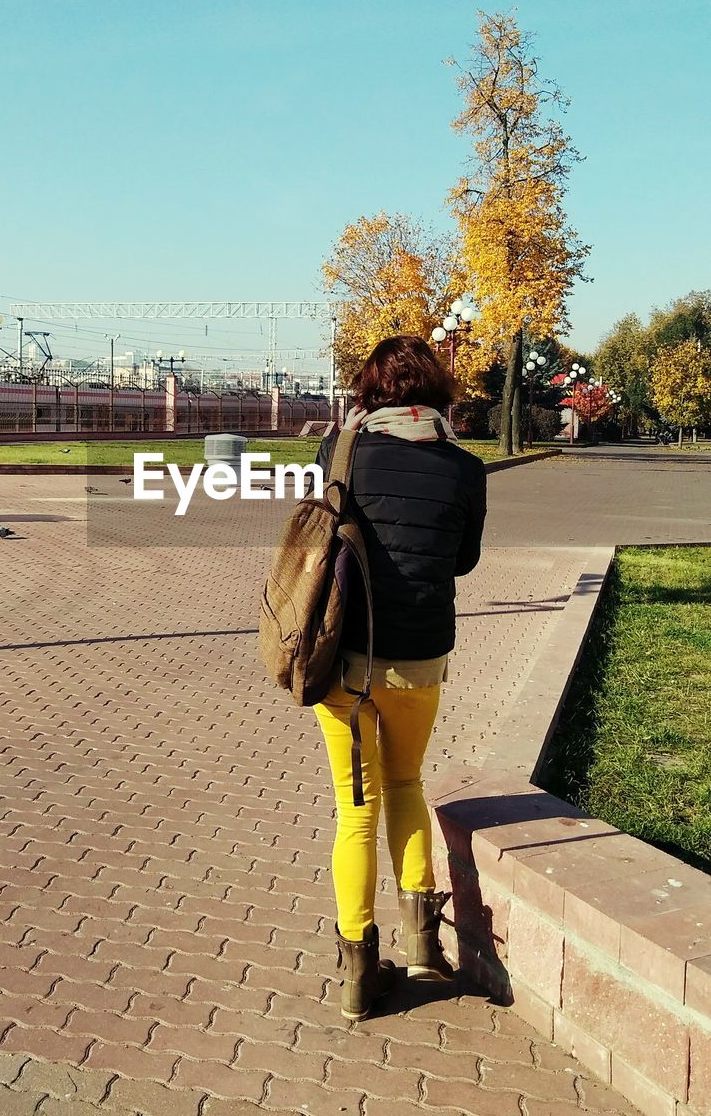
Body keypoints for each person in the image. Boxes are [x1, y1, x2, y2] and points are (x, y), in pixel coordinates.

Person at [314, 335, 487, 1021]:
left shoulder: (340, 451)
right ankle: (423, 947)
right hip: (419, 660)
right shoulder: (465, 469)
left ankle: (357, 974)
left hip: (345, 666)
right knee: (408, 783)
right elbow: (464, 561)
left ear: (370, 391)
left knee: (355, 810)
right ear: (437, 392)